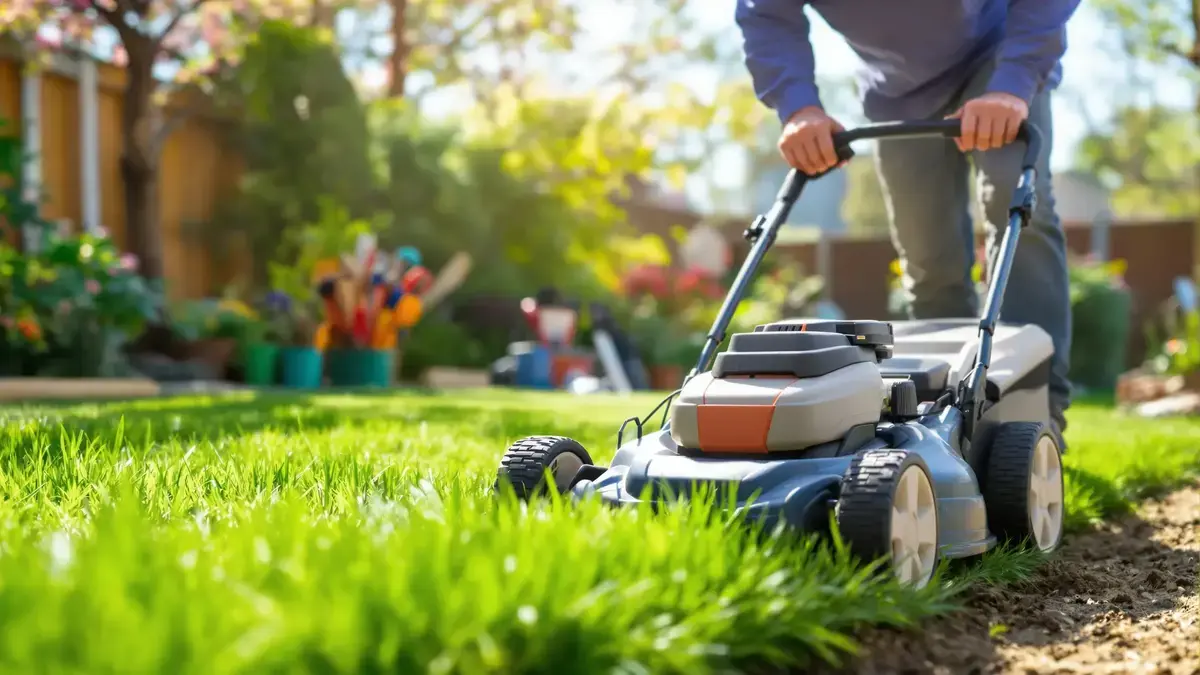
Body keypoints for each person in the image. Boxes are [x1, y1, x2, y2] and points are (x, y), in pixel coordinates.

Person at [736, 0, 1081, 446]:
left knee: (1015, 206)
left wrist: (1014, 82)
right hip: (897, 90)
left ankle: (1039, 409)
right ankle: (949, 415)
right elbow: (765, 12)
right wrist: (798, 106)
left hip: (997, 57)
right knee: (927, 254)